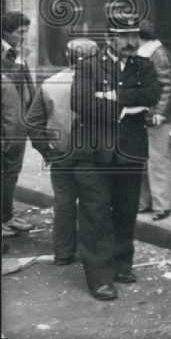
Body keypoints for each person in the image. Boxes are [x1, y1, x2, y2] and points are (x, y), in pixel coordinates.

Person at [72, 10, 159, 298]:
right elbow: (80, 103)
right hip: (95, 152)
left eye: (134, 35)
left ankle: (122, 265)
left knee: (125, 210)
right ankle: (99, 277)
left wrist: (113, 98)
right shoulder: (89, 66)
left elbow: (152, 95)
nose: (132, 41)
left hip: (130, 152)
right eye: (125, 37)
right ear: (110, 38)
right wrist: (124, 109)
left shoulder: (143, 65)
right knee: (96, 214)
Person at [24, 38, 100, 265]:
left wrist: (46, 150)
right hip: (91, 156)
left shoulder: (49, 84)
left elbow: (32, 122)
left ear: (68, 57)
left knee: (64, 203)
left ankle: (64, 253)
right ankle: (92, 254)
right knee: (92, 204)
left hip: (60, 153)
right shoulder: (102, 84)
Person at [136, 21, 171, 221]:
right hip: (142, 113)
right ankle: (145, 202)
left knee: (157, 160)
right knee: (143, 160)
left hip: (154, 115)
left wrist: (160, 111)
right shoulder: (146, 52)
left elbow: (167, 85)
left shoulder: (158, 54)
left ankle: (162, 205)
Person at [2, 10, 37, 237]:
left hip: (19, 124)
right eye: (19, 32)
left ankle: (6, 215)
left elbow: (26, 86)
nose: (22, 36)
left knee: (12, 172)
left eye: (25, 32)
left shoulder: (17, 53)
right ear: (6, 32)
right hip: (6, 126)